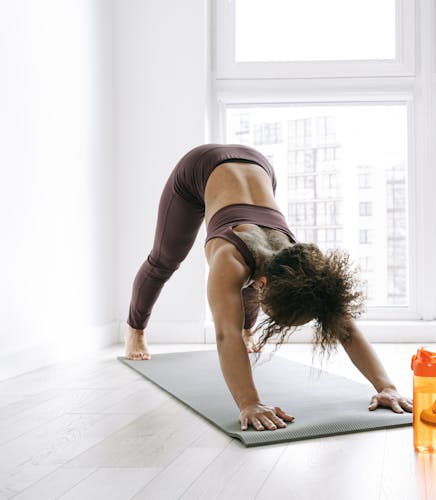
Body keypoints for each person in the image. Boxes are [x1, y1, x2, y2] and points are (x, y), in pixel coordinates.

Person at [126, 144, 413, 431]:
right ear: (262, 284)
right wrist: (249, 401)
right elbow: (226, 336)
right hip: (199, 167)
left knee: (253, 272)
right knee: (164, 260)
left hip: (258, 165)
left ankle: (249, 330)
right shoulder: (228, 258)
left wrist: (386, 386)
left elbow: (346, 328)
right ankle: (135, 330)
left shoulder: (307, 263)